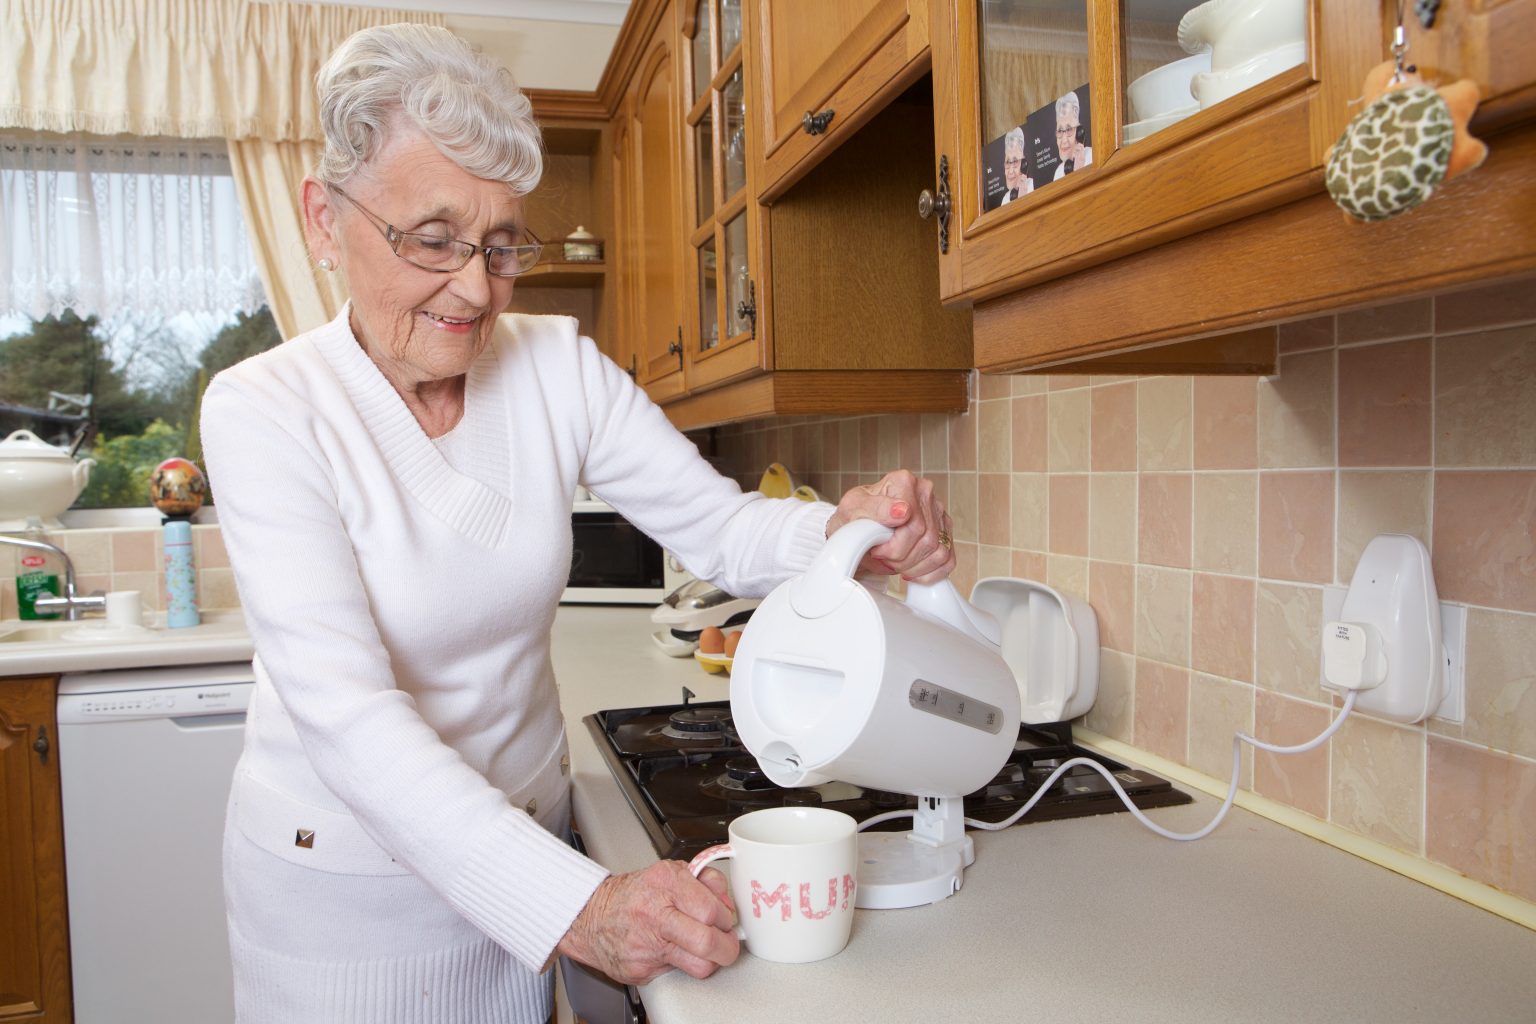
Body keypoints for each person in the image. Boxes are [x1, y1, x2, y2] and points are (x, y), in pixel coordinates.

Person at [199, 22, 956, 1024]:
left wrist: (845, 533)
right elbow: (348, 720)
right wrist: (580, 903)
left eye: (502, 243)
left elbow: (721, 528)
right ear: (323, 220)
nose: (475, 287)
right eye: (433, 239)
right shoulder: (265, 409)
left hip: (526, 849)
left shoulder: (553, 363)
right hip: (350, 903)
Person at [1052, 90, 1094, 180]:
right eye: (1059, 131)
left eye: (1069, 129)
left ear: (1079, 132)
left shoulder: (1092, 156)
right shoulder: (1059, 172)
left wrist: (1080, 172)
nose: (1064, 140)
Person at [999, 125, 1031, 204]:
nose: (1010, 171)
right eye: (1007, 162)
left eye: (1015, 162)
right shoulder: (1006, 199)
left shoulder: (1032, 186)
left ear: (1024, 165)